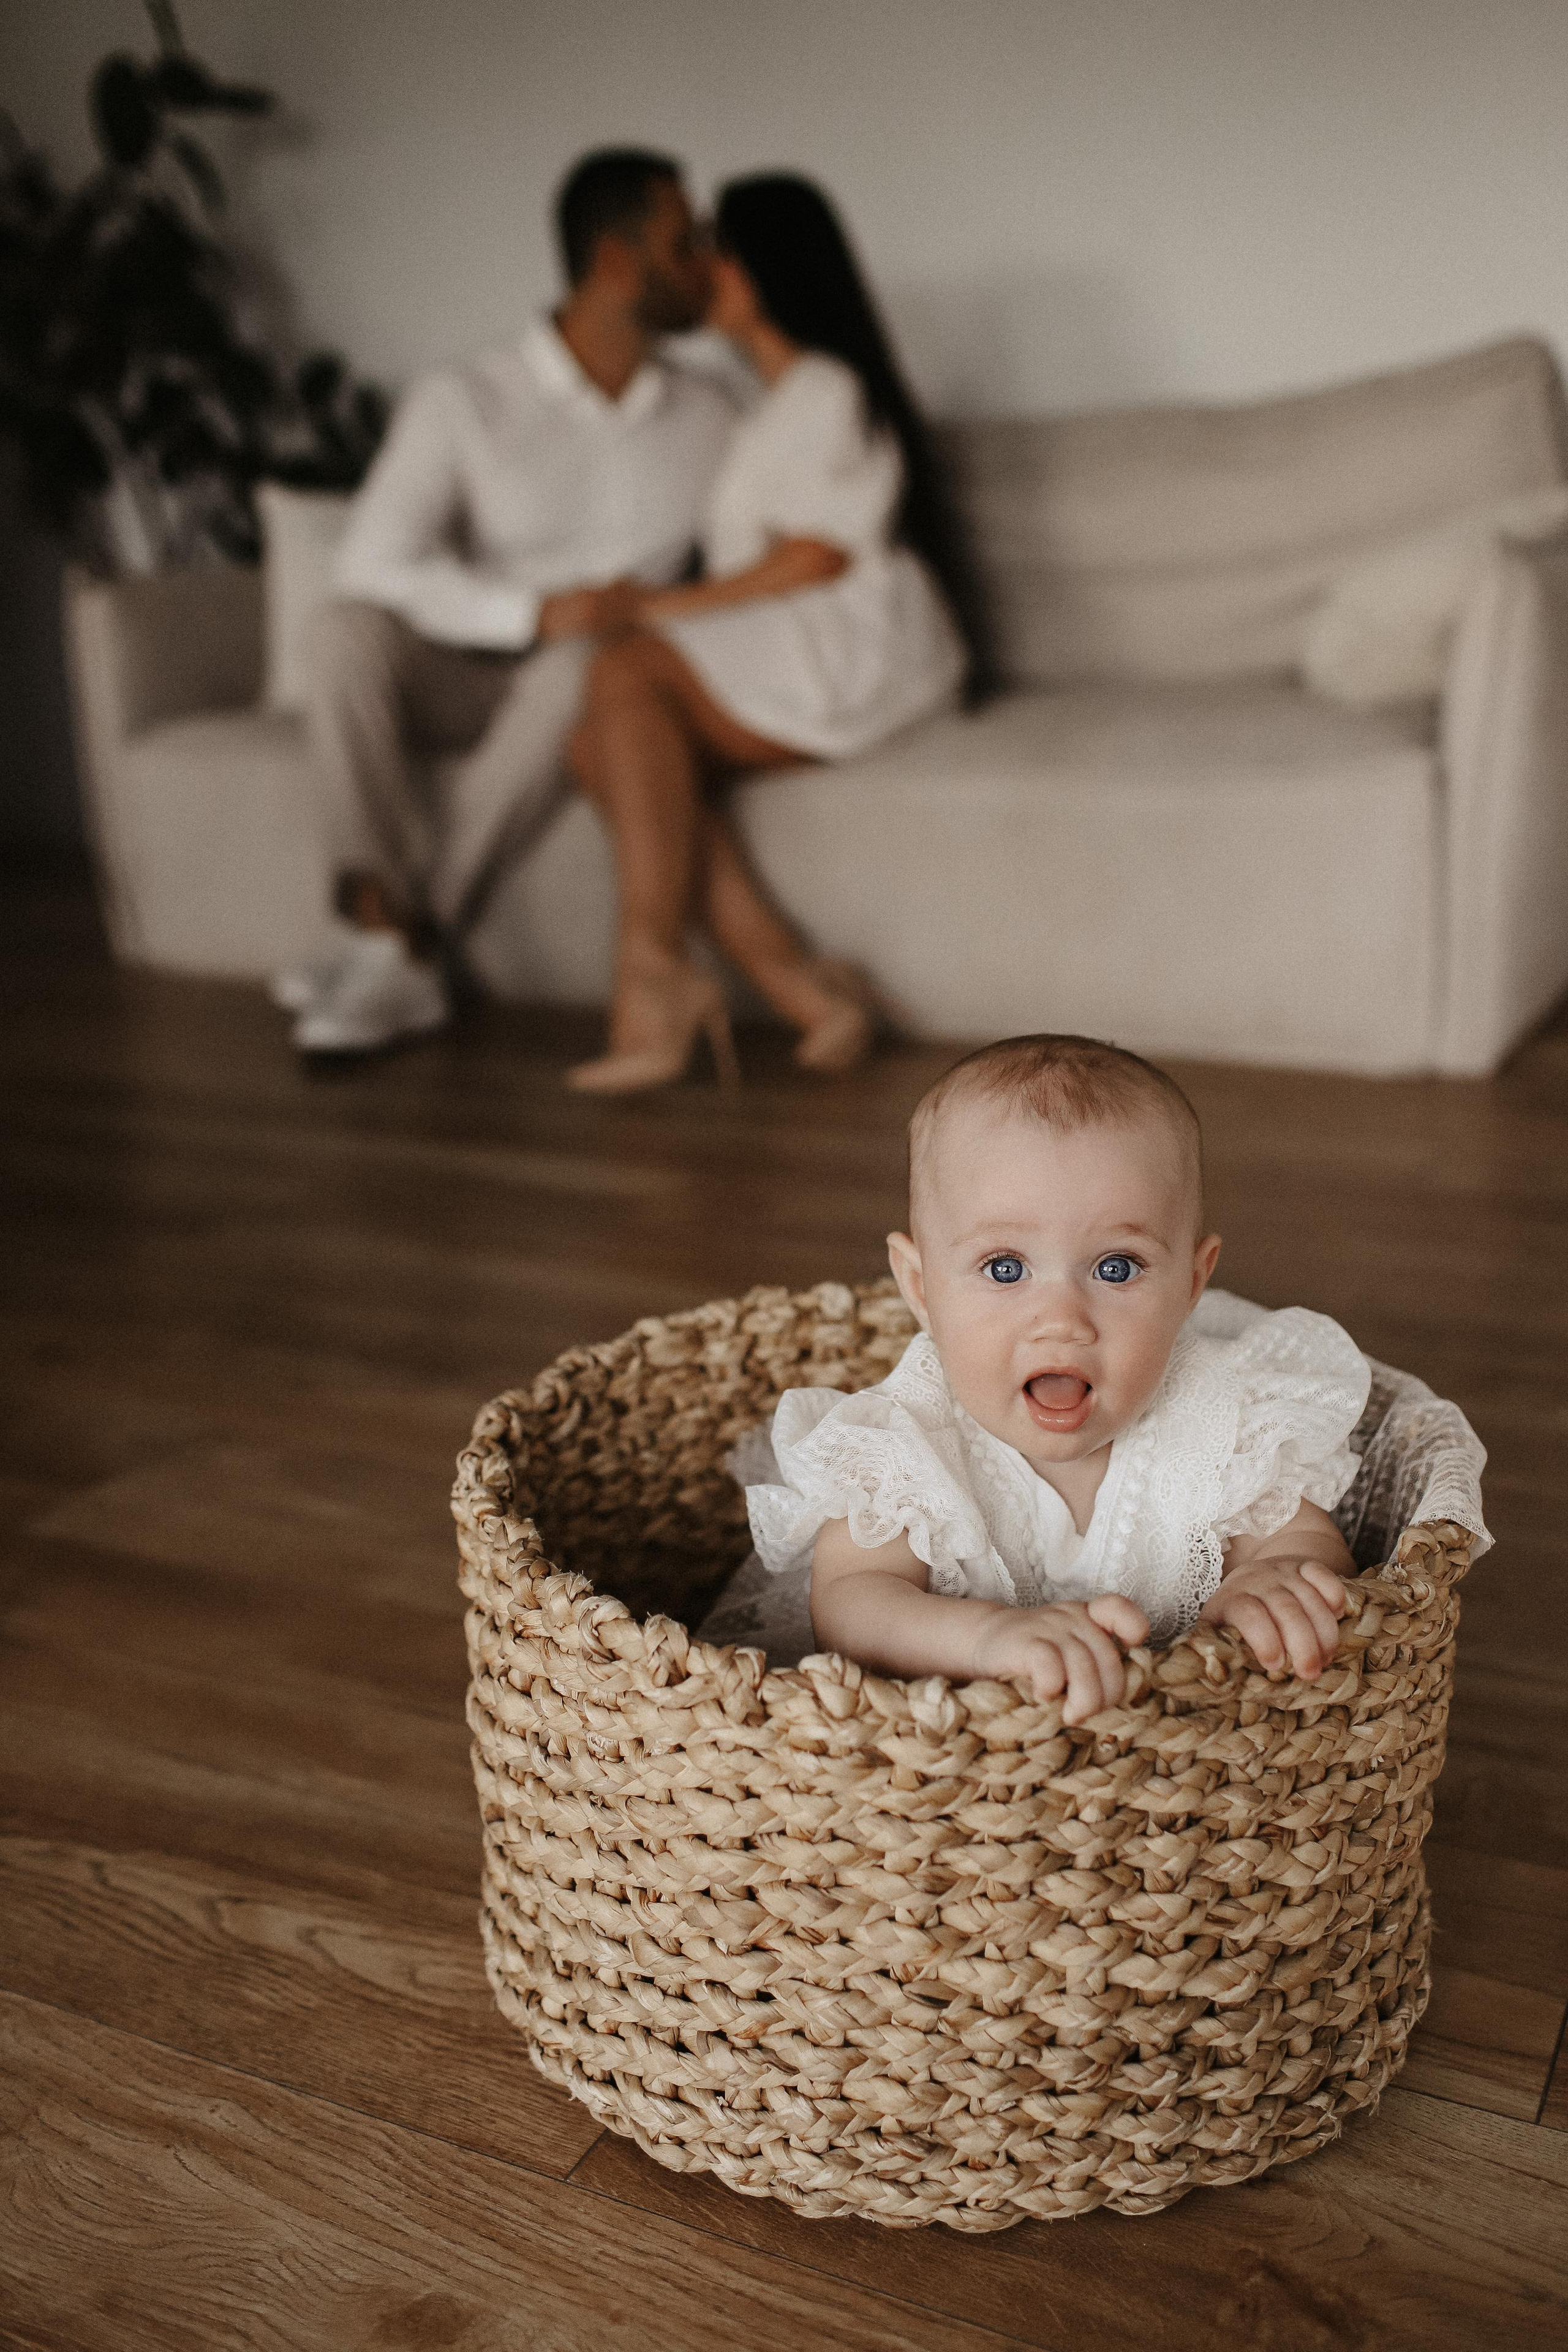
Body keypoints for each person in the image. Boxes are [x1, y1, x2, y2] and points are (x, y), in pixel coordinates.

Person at [738, 1034, 1379, 1723]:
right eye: (1005, 1268)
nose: (1062, 1322)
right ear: (920, 1287)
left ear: (1192, 1283)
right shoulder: (902, 1443)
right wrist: (988, 1639)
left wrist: (1271, 1576)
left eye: (1116, 1268)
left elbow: (1299, 1536)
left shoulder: (1223, 1413)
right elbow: (853, 1606)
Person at [281, 148, 734, 1057]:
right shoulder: (465, 397)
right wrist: (532, 613)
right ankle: (378, 919)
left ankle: (401, 943)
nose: (707, 266)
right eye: (684, 244)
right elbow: (368, 562)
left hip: (595, 679)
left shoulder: (715, 411)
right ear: (615, 262)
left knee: (593, 663)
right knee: (339, 633)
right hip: (460, 668)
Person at [563, 173, 974, 1095]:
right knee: (599, 744)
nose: (702, 271)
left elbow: (815, 558)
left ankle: (653, 970)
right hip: (796, 633)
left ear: (767, 270)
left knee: (625, 676)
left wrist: (657, 611)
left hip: (856, 640)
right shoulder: (764, 404)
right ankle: (802, 984)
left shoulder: (827, 386)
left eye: (720, 253)